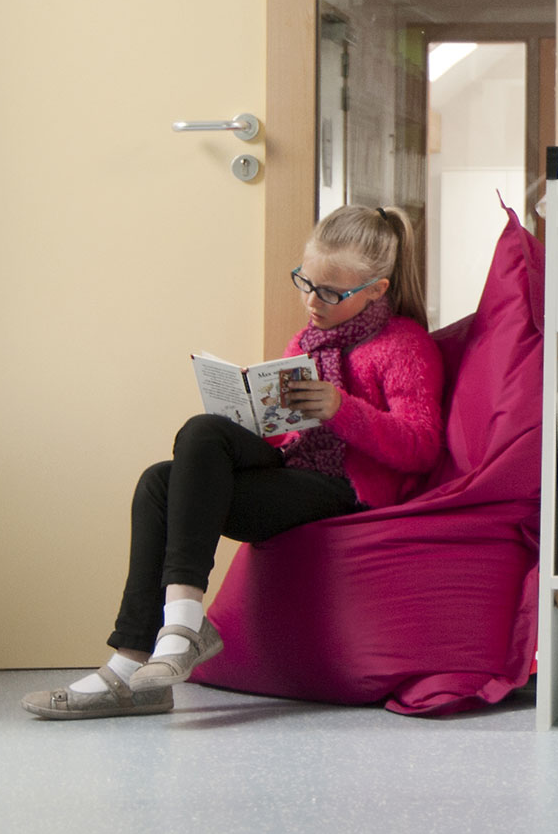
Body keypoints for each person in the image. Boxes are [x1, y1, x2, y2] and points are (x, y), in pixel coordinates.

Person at [24, 206, 446, 720]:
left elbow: (421, 447)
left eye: (330, 293)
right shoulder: (306, 341)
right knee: (168, 470)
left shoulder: (404, 345)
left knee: (176, 470)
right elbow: (288, 436)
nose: (311, 302)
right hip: (294, 469)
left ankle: (174, 634)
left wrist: (341, 408)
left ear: (376, 290)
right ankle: (142, 652)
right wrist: (249, 412)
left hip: (345, 489)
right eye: (306, 283)